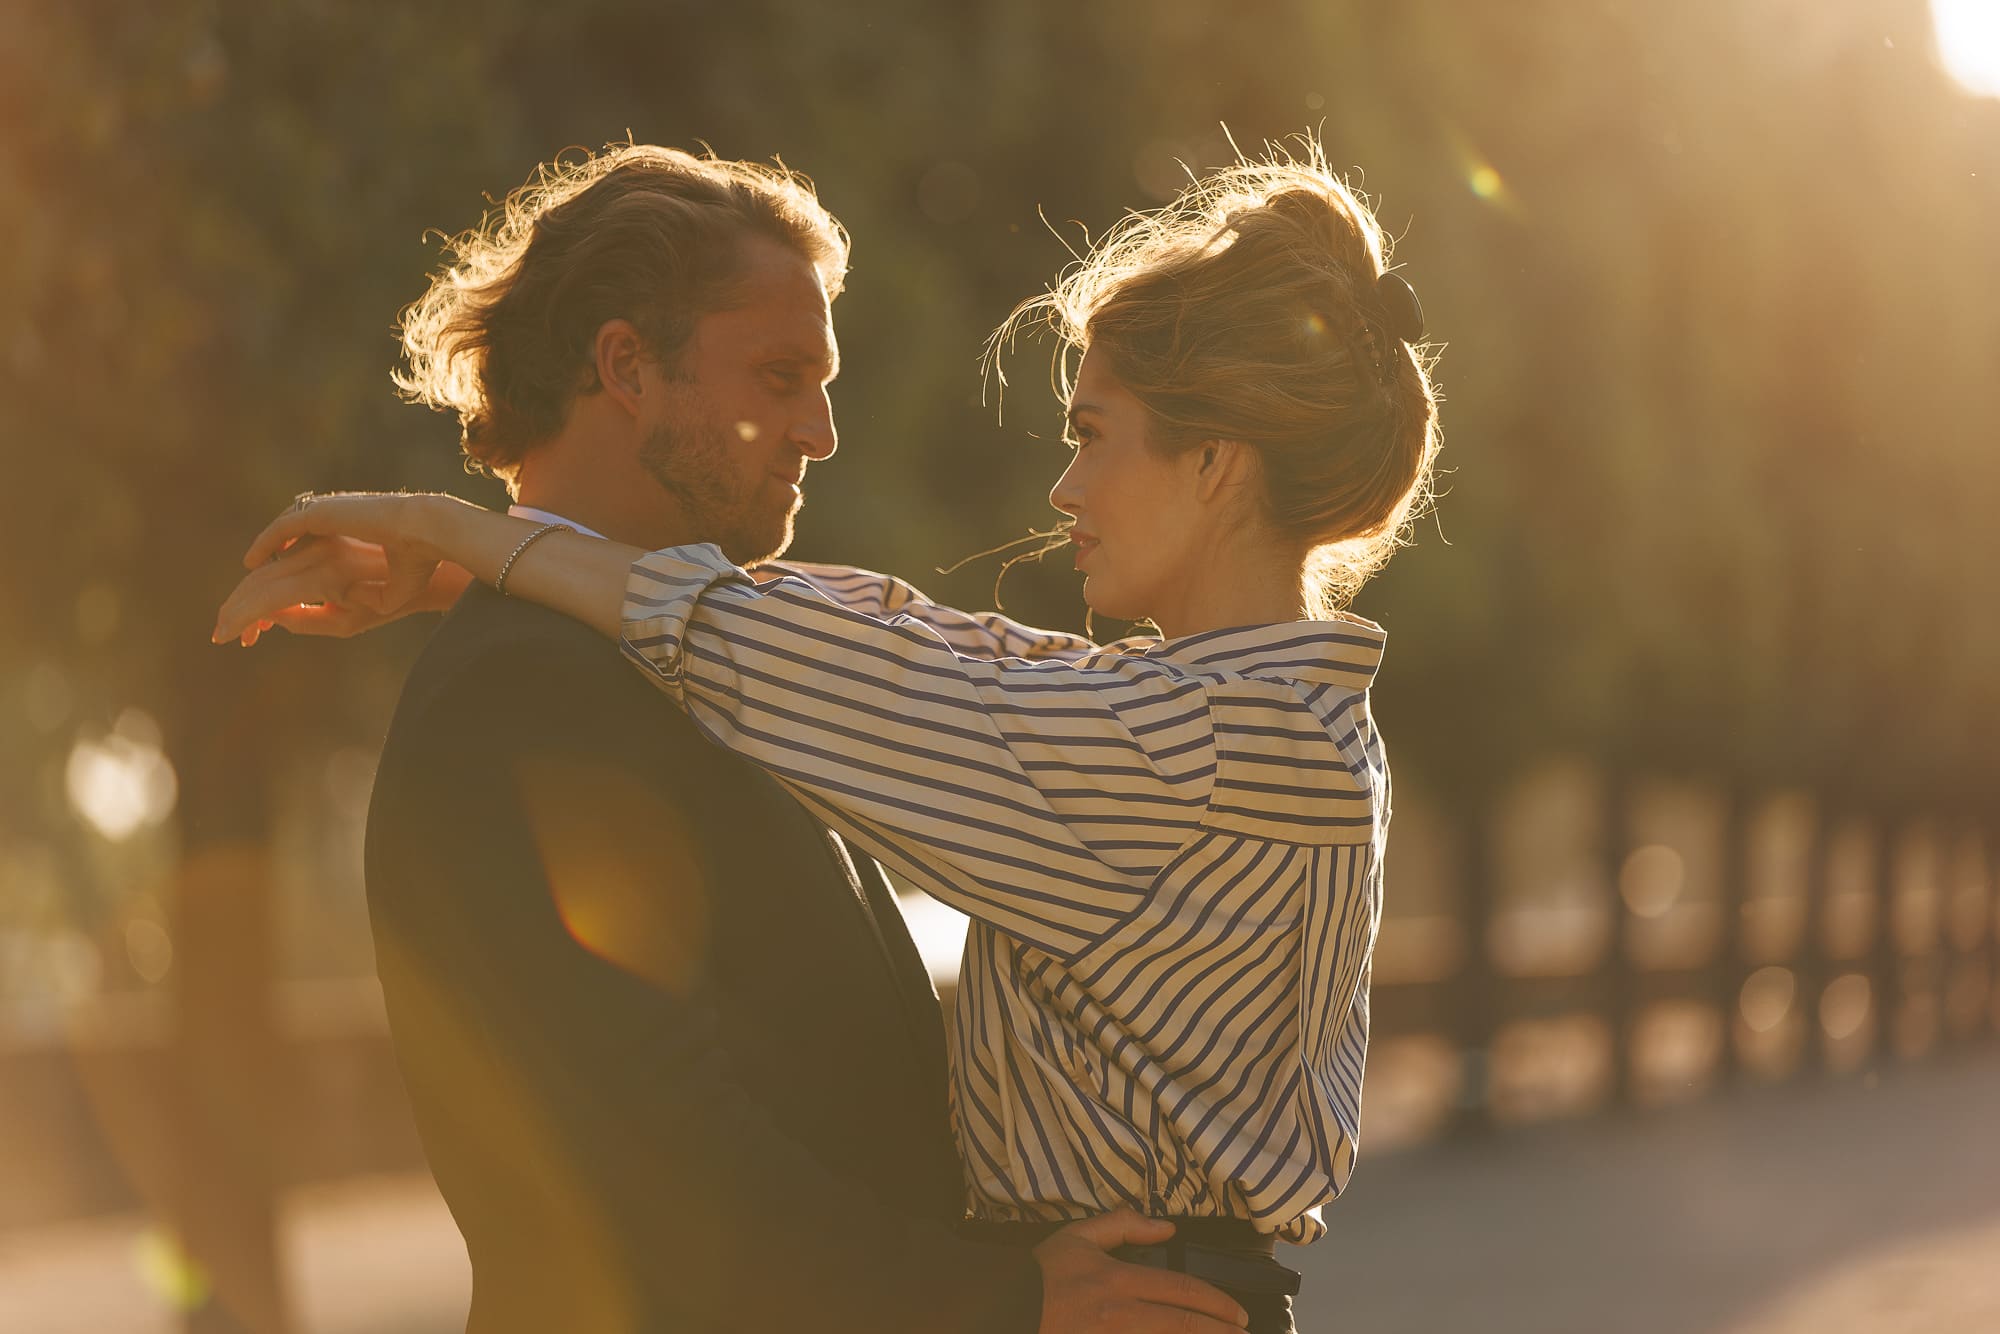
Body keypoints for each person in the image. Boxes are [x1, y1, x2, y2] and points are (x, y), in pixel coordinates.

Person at [217, 138, 1441, 1334]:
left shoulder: (1182, 739)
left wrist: (460, 540)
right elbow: (648, 1160)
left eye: (1087, 435)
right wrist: (997, 1299)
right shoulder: (523, 698)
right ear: (626, 367)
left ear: (1216, 466)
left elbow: (851, 653)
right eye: (778, 377)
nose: (820, 432)